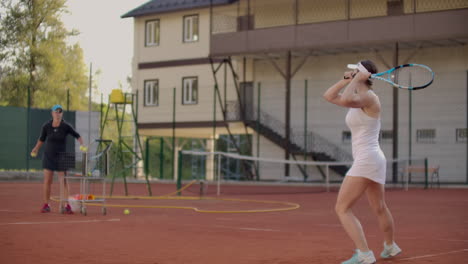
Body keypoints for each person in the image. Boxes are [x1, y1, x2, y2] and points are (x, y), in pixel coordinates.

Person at [323, 60, 402, 264]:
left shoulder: (368, 98)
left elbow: (348, 98)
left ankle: (364, 254)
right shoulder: (359, 95)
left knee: (342, 208)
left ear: (363, 74)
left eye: (355, 70)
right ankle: (390, 247)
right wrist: (344, 80)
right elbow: (329, 96)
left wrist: (356, 80)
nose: (352, 73)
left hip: (368, 159)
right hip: (371, 159)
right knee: (379, 207)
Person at [30, 104, 86, 214]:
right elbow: (41, 139)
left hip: (62, 157)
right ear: (52, 113)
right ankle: (46, 205)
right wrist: (36, 149)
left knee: (64, 181)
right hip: (48, 156)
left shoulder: (66, 126)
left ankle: (67, 205)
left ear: (62, 114)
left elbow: (77, 135)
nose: (57, 113)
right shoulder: (46, 126)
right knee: (47, 181)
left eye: (60, 111)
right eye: (56, 111)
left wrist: (82, 144)